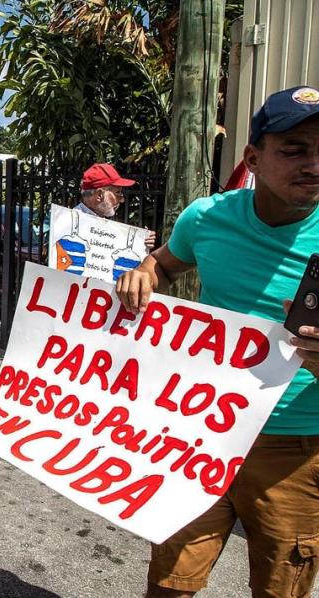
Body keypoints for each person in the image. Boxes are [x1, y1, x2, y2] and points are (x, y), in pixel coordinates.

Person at [116, 85, 319, 598]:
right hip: (201, 431)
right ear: (253, 157)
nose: (314, 164)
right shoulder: (206, 218)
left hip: (293, 449)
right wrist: (144, 271)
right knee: (169, 583)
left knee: (281, 589)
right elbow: (165, 262)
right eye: (295, 149)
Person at [77, 162, 156, 250]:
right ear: (99, 195)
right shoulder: (68, 223)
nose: (122, 199)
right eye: (118, 192)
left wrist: (140, 242)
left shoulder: (104, 224)